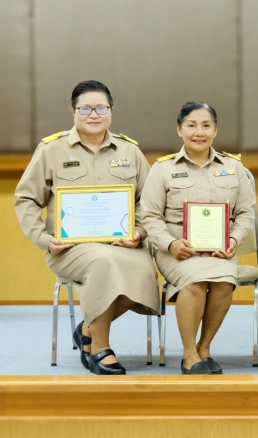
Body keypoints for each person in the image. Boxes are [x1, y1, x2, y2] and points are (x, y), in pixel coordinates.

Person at [14, 80, 159, 375]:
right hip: (70, 249)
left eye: (101, 108)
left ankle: (87, 330)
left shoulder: (129, 151)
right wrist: (44, 239)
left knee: (144, 269)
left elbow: (151, 200)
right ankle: (100, 348)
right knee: (104, 264)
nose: (94, 114)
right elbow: (26, 199)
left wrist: (140, 232)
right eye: (86, 108)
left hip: (123, 244)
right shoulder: (51, 150)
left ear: (111, 111)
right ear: (73, 111)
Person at [141, 102, 255, 375]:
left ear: (215, 130)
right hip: (178, 250)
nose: (199, 132)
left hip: (220, 250)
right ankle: (189, 352)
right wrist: (170, 244)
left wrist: (234, 240)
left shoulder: (233, 167)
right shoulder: (163, 169)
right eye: (191, 125)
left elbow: (246, 213)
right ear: (179, 130)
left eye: (206, 125)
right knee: (195, 281)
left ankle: (204, 348)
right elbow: (149, 216)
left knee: (225, 283)